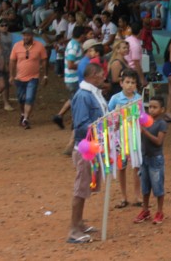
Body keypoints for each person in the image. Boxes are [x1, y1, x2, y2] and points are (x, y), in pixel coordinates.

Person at [67, 63, 107, 244]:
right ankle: (74, 230)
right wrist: (103, 127)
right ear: (93, 75)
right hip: (86, 149)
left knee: (84, 187)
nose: (104, 77)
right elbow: (81, 126)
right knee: (81, 188)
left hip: (90, 147)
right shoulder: (84, 96)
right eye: (101, 74)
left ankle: (79, 223)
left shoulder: (90, 93)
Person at [108, 69, 142, 209]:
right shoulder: (115, 99)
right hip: (119, 138)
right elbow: (108, 115)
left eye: (133, 83)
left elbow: (142, 117)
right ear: (121, 83)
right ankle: (123, 197)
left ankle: (137, 196)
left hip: (134, 136)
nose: (130, 85)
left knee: (136, 167)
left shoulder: (138, 98)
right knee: (121, 167)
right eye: (127, 82)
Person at [133, 96, 168, 225]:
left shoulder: (161, 123)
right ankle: (145, 210)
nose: (151, 110)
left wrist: (144, 132)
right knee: (145, 186)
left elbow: (159, 142)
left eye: (155, 107)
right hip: (145, 157)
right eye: (150, 107)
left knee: (158, 186)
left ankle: (160, 211)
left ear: (162, 109)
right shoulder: (145, 121)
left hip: (156, 159)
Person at [9, 28, 49, 129]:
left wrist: (45, 75)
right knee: (21, 99)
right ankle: (23, 114)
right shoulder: (16, 46)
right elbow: (12, 61)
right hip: (19, 77)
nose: (26, 37)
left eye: (28, 35)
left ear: (32, 36)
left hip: (33, 77)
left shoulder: (39, 46)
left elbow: (44, 61)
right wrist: (11, 75)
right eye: (24, 35)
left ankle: (26, 119)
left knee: (29, 98)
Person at [52, 26, 86, 129]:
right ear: (81, 35)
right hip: (74, 78)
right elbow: (70, 65)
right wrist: (82, 65)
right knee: (78, 101)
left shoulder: (73, 44)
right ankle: (74, 122)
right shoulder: (74, 46)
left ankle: (59, 116)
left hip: (71, 78)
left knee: (73, 99)